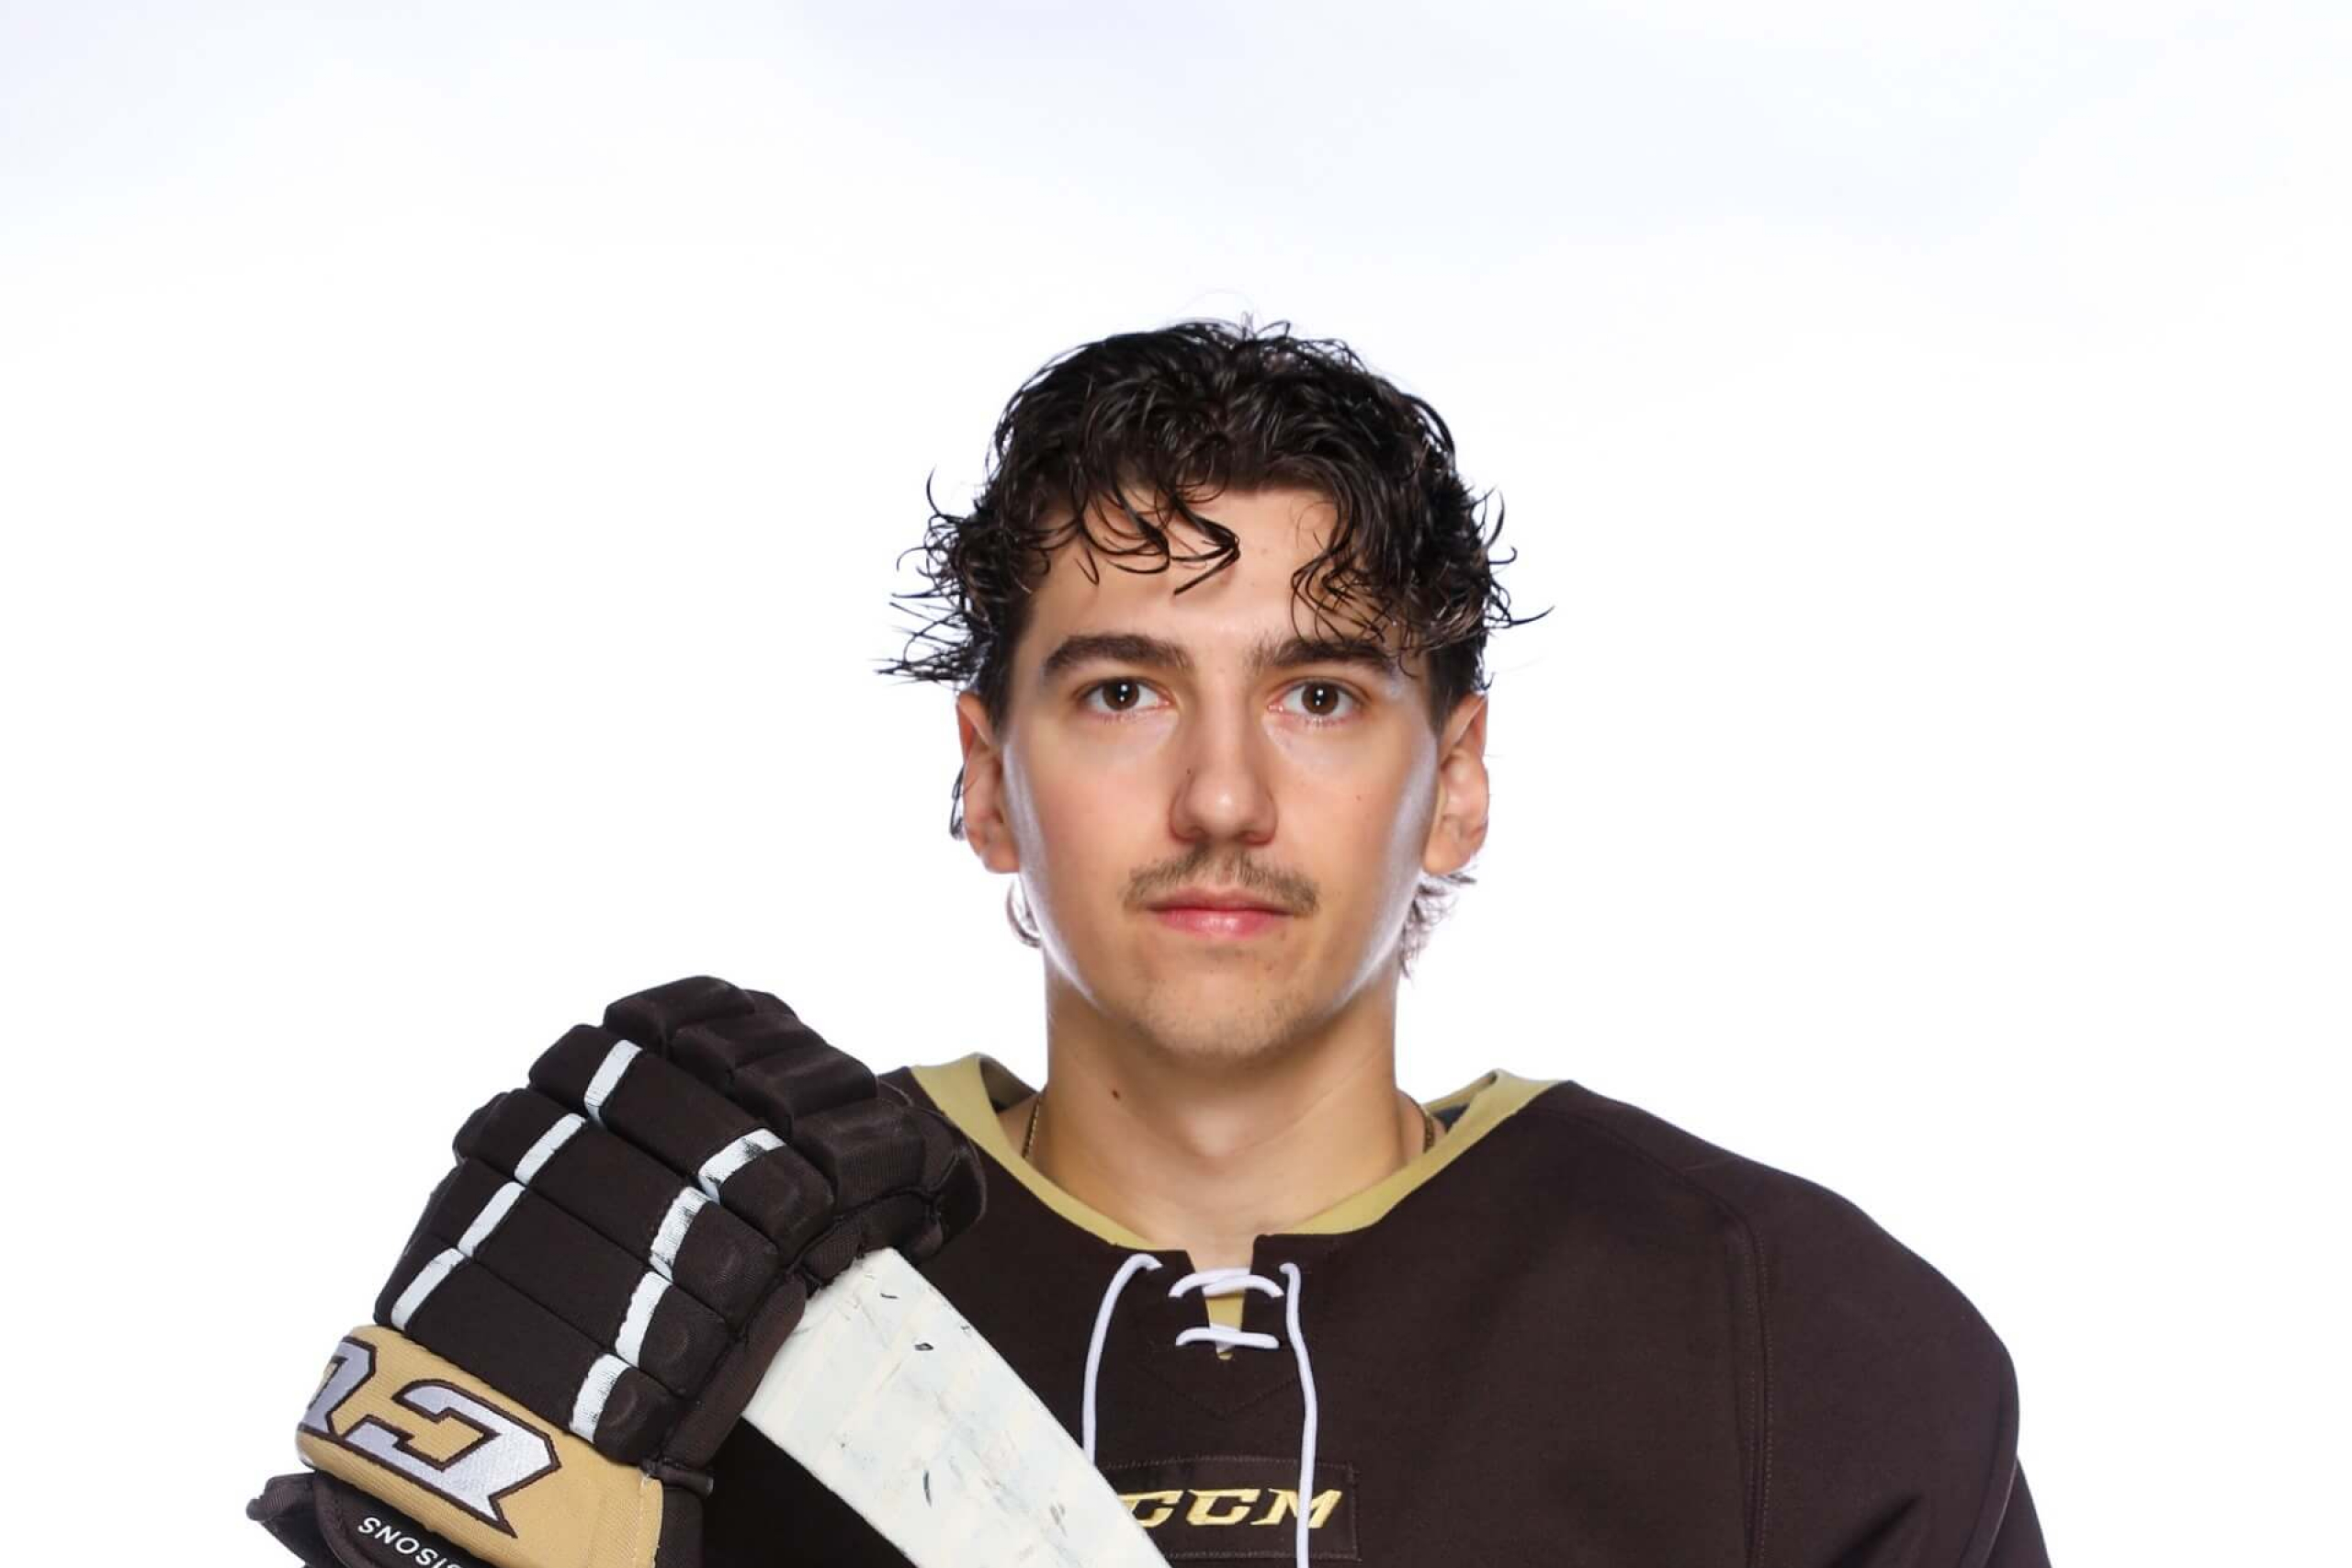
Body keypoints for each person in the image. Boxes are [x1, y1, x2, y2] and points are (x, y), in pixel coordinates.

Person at [251, 318, 2050, 1567]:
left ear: (1455, 781)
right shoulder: (708, 1281)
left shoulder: (1794, 1341)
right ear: (984, 773)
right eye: (1122, 689)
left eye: (1320, 694)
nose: (1218, 796)